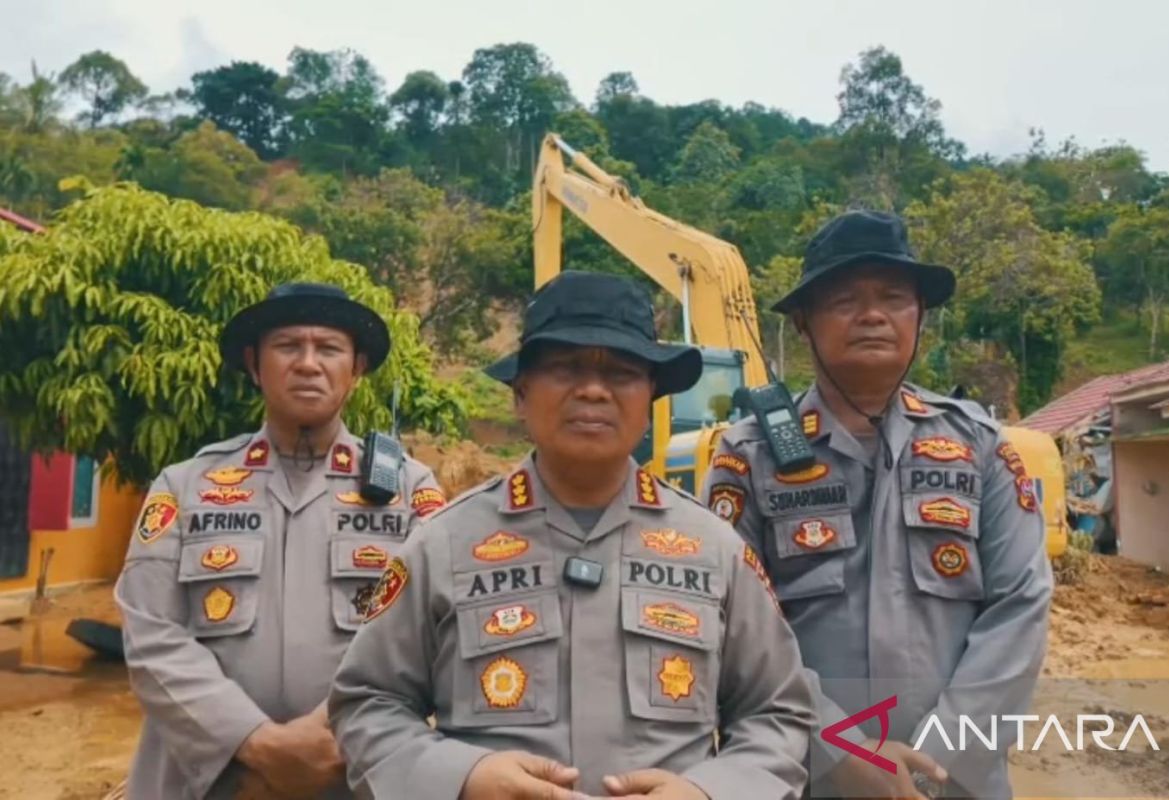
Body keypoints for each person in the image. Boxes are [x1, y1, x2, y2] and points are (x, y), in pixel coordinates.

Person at [329, 271, 815, 800]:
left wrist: (708, 792)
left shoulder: (716, 549)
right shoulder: (441, 544)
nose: (592, 389)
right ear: (520, 394)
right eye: (565, 368)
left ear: (651, 396)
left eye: (623, 372)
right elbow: (367, 702)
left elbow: (778, 712)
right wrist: (462, 779)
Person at [701, 211, 1052, 799]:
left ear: (920, 316)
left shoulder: (980, 447)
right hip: (805, 779)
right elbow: (735, 625)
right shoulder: (748, 455)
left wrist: (935, 763)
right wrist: (840, 752)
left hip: (956, 785)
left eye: (893, 296)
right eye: (843, 299)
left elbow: (1019, 608)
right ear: (803, 322)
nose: (872, 315)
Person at [115, 282, 446, 799]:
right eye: (288, 346)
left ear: (356, 368)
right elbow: (151, 634)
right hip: (214, 781)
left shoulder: (410, 490)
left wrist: (326, 741)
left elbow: (431, 634)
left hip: (351, 773)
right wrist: (257, 745)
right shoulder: (184, 486)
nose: (308, 363)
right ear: (254, 364)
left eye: (329, 348)